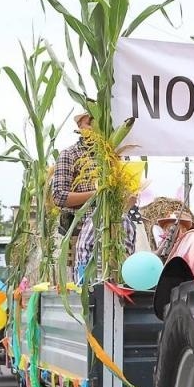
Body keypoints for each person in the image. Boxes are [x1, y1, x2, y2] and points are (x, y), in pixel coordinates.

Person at [50, 110, 136, 280]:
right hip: (82, 237)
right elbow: (59, 196)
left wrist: (127, 200)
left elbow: (125, 200)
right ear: (79, 126)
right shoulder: (70, 155)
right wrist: (98, 194)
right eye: (90, 123)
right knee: (87, 289)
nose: (94, 127)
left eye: (98, 123)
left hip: (114, 237)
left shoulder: (113, 157)